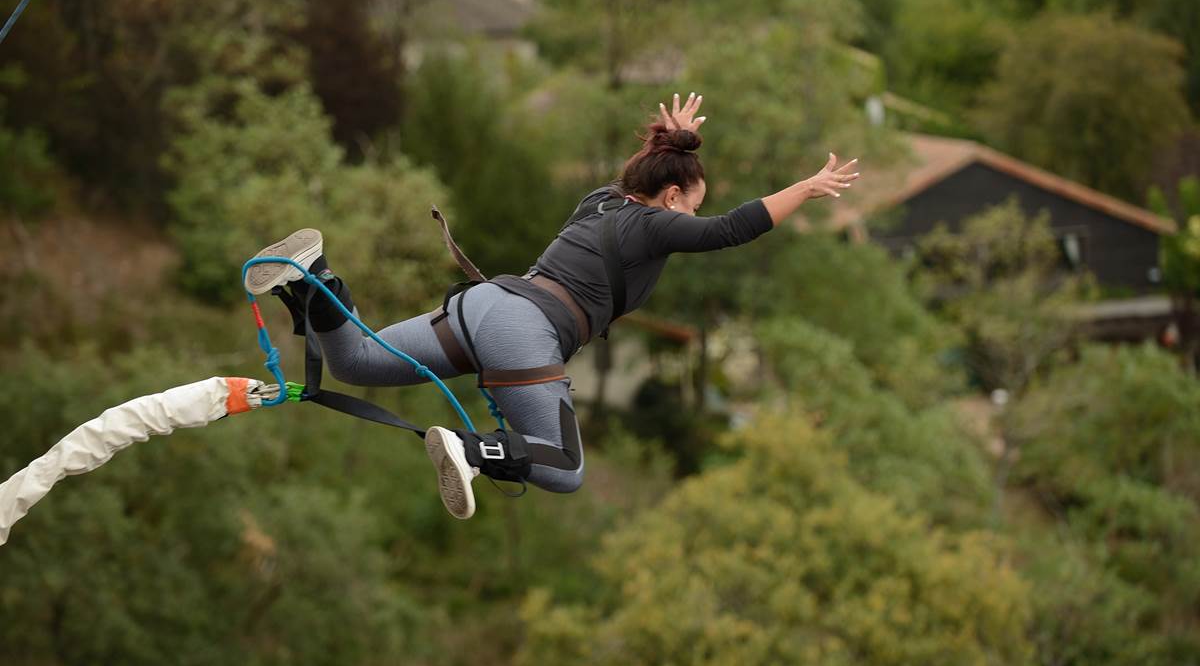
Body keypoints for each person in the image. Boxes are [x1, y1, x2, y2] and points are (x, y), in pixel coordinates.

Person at [243, 93, 860, 520]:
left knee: (353, 362)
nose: (692, 220)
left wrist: (672, 140)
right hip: (524, 329)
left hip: (483, 304)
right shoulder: (655, 224)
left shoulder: (602, 199)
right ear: (672, 196)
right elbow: (733, 229)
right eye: (691, 204)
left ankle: (313, 277)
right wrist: (806, 188)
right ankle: (471, 450)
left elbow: (660, 182)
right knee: (564, 468)